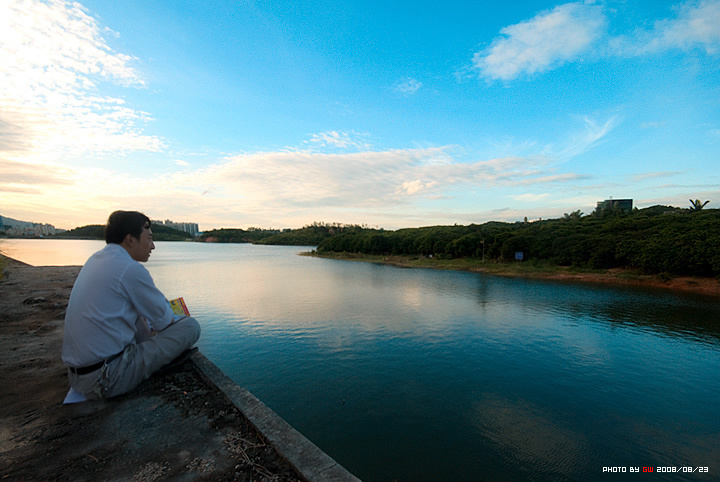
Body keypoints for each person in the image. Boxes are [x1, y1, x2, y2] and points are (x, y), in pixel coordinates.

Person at [62, 210, 201, 400]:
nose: (152, 246)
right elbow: (165, 322)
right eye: (149, 238)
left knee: (138, 312)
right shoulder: (130, 269)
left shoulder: (96, 260)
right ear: (130, 239)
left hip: (79, 377)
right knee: (190, 326)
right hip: (107, 378)